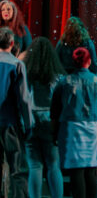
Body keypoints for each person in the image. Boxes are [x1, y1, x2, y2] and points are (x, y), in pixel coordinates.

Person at [51, 47, 97, 198]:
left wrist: (55, 133)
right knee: (90, 170)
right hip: (94, 128)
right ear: (89, 61)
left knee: (76, 170)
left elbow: (55, 111)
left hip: (71, 128)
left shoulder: (64, 82)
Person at [23, 37, 65, 198]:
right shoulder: (57, 77)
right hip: (51, 124)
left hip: (31, 123)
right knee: (54, 165)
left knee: (34, 166)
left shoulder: (25, 74)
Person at [0, 27, 33, 197]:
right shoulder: (17, 64)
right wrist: (28, 125)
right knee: (18, 169)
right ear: (12, 43)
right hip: (10, 123)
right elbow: (24, 98)